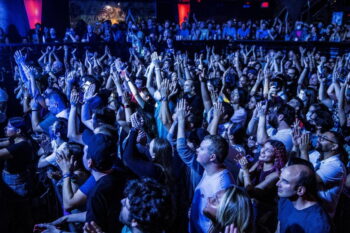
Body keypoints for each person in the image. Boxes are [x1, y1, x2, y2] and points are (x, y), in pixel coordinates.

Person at [276, 164, 331, 233]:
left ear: (300, 190)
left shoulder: (318, 223)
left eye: (285, 181)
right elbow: (280, 227)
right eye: (280, 178)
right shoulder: (284, 199)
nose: (277, 184)